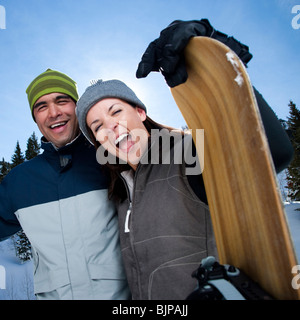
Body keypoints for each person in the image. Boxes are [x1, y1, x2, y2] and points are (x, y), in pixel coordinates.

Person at [75, 76, 293, 300]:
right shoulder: (121, 192)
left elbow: (274, 153)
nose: (110, 126)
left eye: (116, 111)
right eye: (98, 126)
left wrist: (228, 75)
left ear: (140, 112)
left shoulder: (187, 154)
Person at [0, 69, 130, 300]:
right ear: (36, 118)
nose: (53, 112)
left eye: (62, 101)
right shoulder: (18, 182)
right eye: (41, 106)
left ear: (77, 107)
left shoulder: (113, 158)